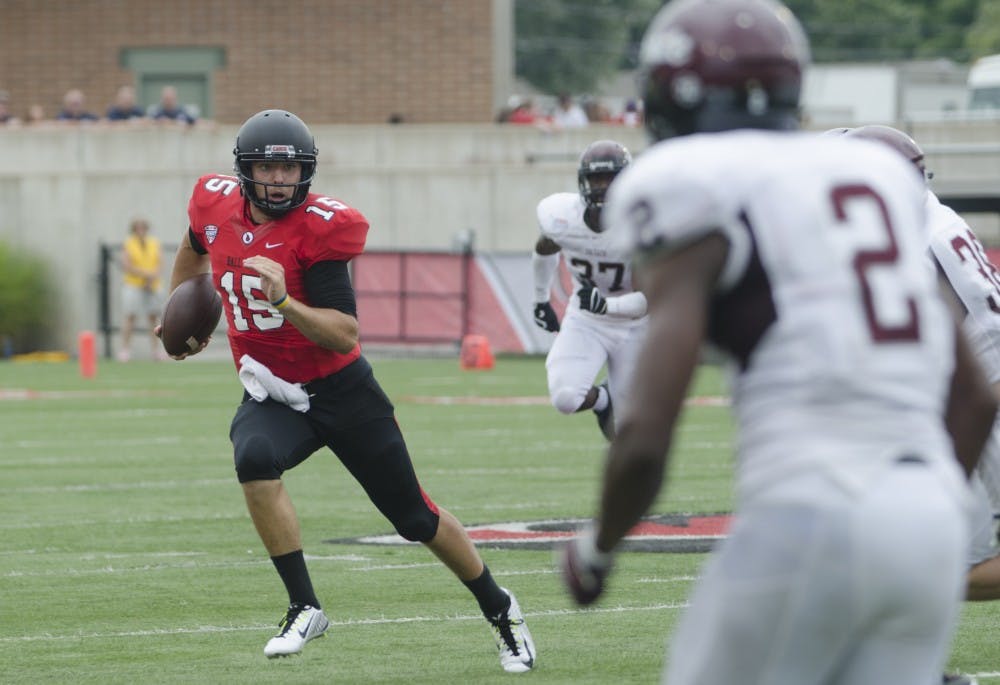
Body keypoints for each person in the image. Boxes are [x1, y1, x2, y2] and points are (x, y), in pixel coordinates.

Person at [558, 1, 998, 684]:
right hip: (926, 520)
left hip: (807, 517)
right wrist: (937, 506)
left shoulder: (683, 182)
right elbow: (971, 394)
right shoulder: (878, 178)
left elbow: (644, 432)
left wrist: (597, 549)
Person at [160, 109, 535, 672]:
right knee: (254, 458)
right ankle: (304, 605)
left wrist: (285, 301)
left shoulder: (323, 228)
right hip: (271, 390)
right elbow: (194, 249)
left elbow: (344, 334)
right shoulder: (212, 204)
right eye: (268, 168)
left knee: (415, 519)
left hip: (342, 391)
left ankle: (500, 607)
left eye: (291, 171)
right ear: (245, 170)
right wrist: (182, 318)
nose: (281, 181)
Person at [843, 125, 1000, 604]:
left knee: (941, 570)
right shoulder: (930, 216)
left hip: (983, 391)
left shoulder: (916, 239)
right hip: (968, 391)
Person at [531, 139, 646, 441]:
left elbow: (653, 297)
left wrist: (607, 306)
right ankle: (604, 400)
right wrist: (541, 299)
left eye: (611, 178)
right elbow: (544, 248)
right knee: (565, 398)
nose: (602, 187)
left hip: (636, 323)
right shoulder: (563, 218)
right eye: (596, 178)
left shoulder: (643, 224)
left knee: (629, 431)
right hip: (587, 320)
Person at [119, 217, 164, 362]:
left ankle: (156, 351)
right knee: (130, 316)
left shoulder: (154, 243)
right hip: (133, 284)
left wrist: (151, 278)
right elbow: (127, 266)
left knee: (153, 318)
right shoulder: (129, 243)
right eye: (138, 228)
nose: (141, 231)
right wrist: (145, 275)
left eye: (143, 228)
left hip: (152, 285)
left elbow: (159, 264)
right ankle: (125, 351)